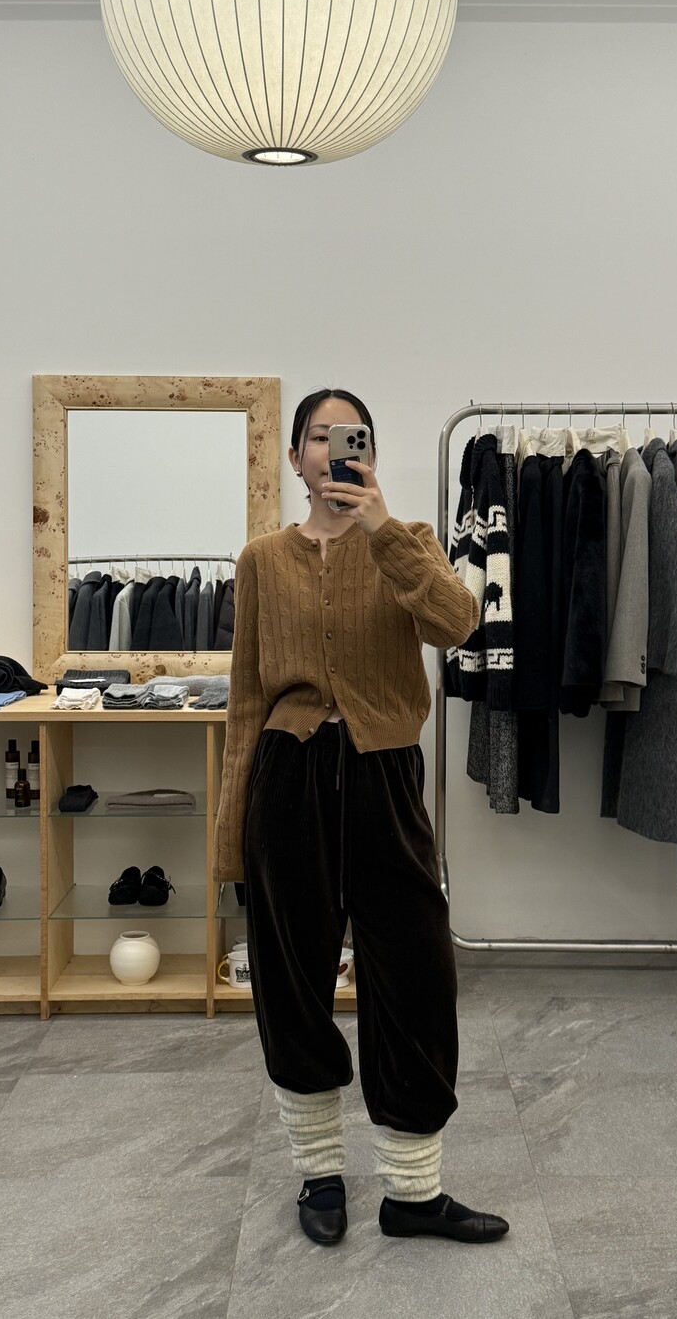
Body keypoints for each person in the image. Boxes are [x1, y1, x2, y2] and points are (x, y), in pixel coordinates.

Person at [213, 389, 510, 1247]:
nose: (335, 450)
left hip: (384, 776)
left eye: (352, 438)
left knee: (416, 972)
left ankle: (413, 1192)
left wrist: (382, 530)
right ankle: (319, 1174)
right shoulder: (261, 559)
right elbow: (245, 701)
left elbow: (458, 624)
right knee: (292, 978)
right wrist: (231, 836)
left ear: (368, 454)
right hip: (288, 779)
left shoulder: (406, 540)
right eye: (319, 436)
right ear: (296, 457)